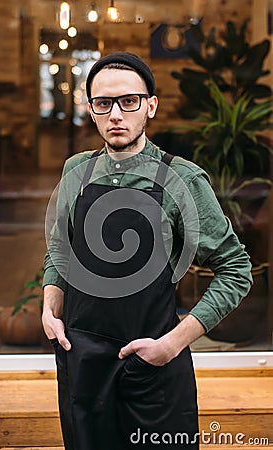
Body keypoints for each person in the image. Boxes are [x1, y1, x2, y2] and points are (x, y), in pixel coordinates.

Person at [42, 52, 252, 450]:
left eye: (129, 101)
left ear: (150, 106)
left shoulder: (183, 180)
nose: (116, 114)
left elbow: (235, 269)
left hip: (154, 367)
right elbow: (60, 247)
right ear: (91, 109)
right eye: (104, 103)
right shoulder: (76, 171)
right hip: (84, 364)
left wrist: (172, 343)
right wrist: (50, 307)